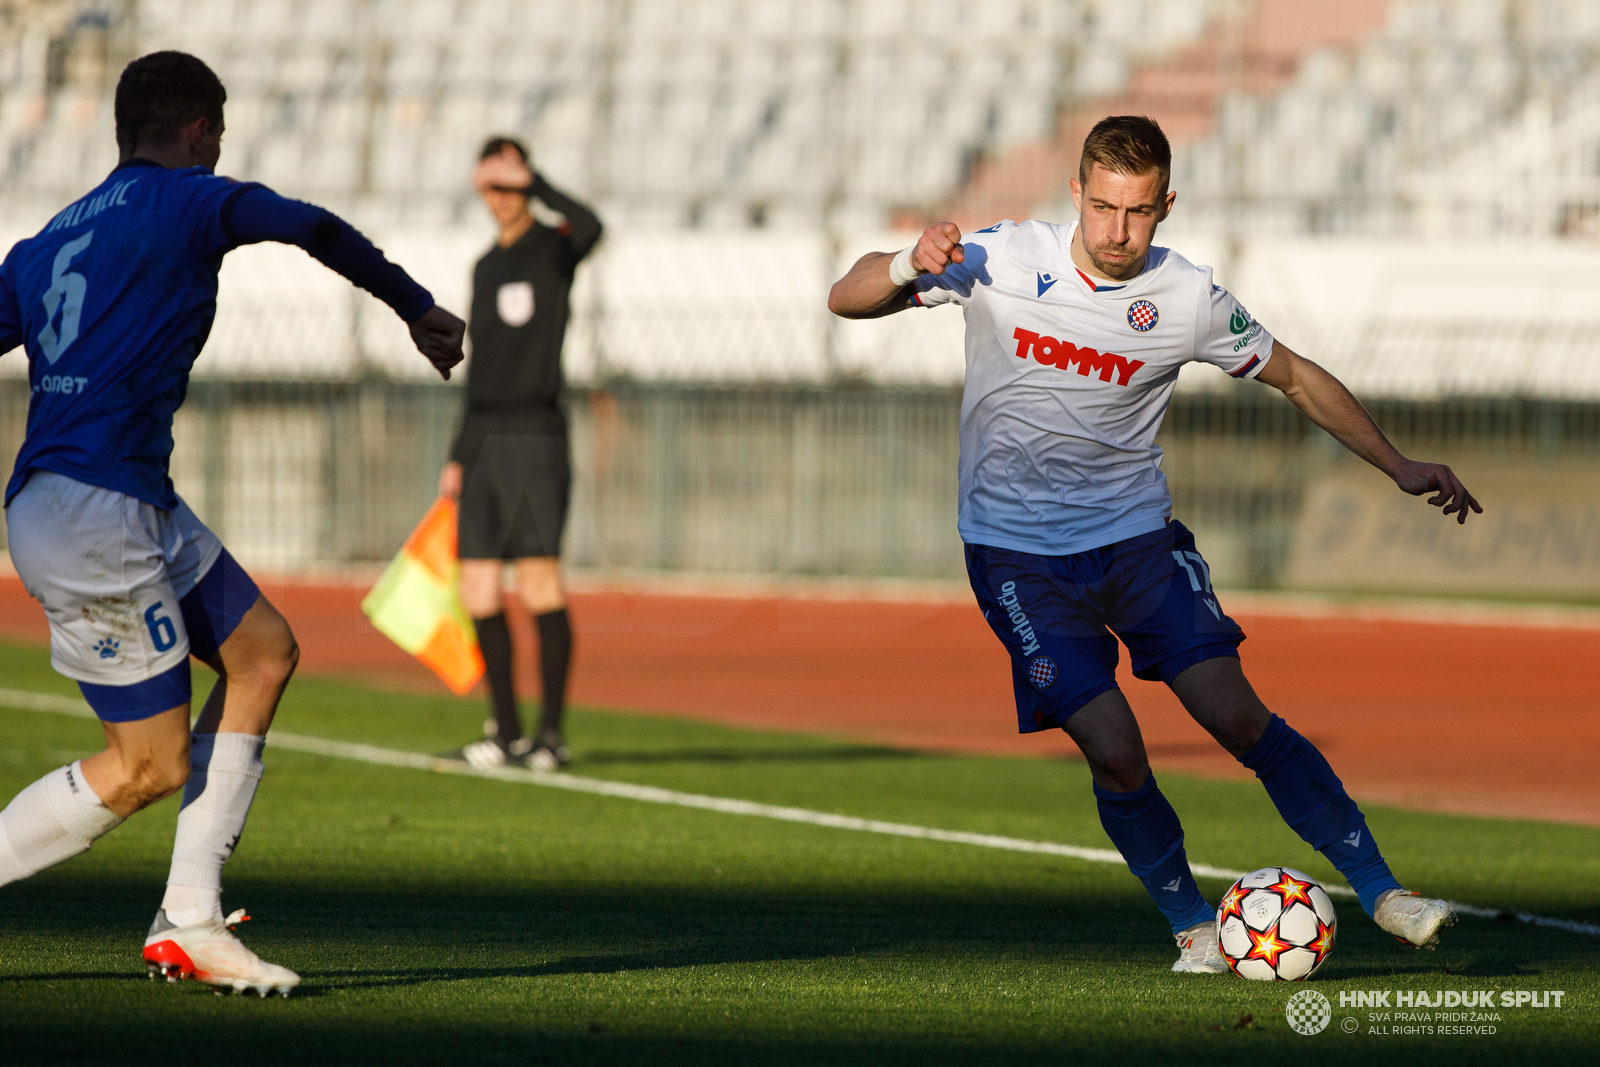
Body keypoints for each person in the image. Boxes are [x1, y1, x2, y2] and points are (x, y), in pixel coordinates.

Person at [826, 115, 1480, 973]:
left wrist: (1395, 462)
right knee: (1114, 743)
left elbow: (1296, 376)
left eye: (1137, 212)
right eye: (1102, 208)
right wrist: (910, 262)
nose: (1116, 231)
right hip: (1018, 559)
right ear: (1076, 194)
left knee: (1237, 714)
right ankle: (1191, 924)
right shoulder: (1001, 257)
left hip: (1138, 544)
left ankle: (1386, 892)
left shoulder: (1188, 298)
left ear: (1166, 204)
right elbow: (846, 294)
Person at [0, 51, 465, 996]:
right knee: (148, 764)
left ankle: (191, 918)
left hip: (116, 496)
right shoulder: (189, 199)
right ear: (202, 129)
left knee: (262, 651)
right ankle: (181, 916)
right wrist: (416, 308)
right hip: (97, 510)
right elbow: (309, 225)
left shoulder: (46, 240)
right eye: (221, 134)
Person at [437, 137, 602, 773]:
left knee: (538, 581)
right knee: (477, 586)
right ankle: (505, 732)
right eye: (492, 187)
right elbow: (479, 371)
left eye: (510, 186)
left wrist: (534, 180)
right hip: (484, 439)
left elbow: (592, 225)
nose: (501, 198)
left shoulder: (554, 248)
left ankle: (550, 735)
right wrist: (459, 452)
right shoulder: (484, 266)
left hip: (535, 436)